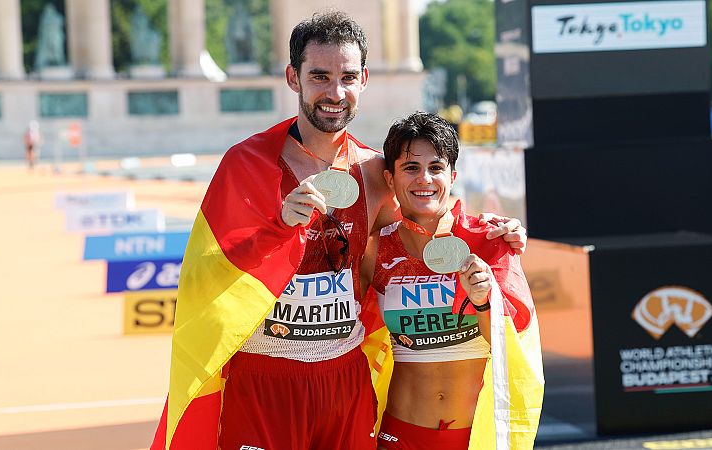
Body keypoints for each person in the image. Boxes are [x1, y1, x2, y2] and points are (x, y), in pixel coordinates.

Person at [150, 12, 528, 450]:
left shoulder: (374, 171)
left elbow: (427, 224)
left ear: (363, 79)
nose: (335, 93)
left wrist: (491, 231)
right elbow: (209, 274)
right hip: (265, 379)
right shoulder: (246, 164)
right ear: (293, 77)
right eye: (320, 76)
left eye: (347, 77)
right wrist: (278, 228)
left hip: (344, 380)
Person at [361, 112, 543, 450]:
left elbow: (512, 343)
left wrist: (483, 301)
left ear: (452, 176)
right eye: (411, 168)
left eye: (436, 167)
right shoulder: (375, 249)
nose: (424, 179)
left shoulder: (489, 239)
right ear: (390, 178)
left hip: (473, 436)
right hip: (399, 434)